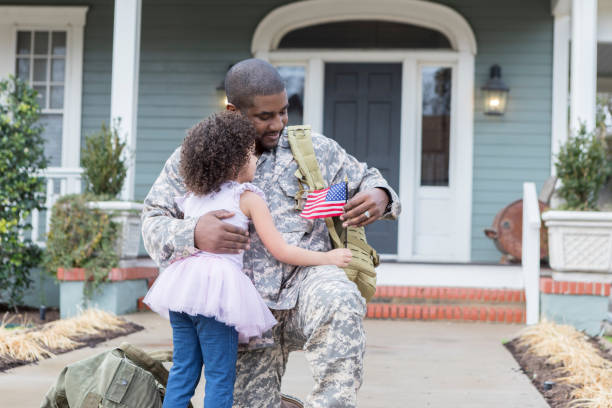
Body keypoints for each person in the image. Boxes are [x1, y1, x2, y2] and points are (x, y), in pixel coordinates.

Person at [142, 58, 401, 408]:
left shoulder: (313, 151)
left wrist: (380, 197)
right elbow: (152, 219)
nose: (278, 124)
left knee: (339, 297)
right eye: (265, 116)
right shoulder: (198, 156)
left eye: (284, 111)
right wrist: (194, 232)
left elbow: (369, 178)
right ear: (233, 111)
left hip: (304, 288)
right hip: (238, 315)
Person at [143, 111, 352, 408]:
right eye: (251, 155)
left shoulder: (192, 196)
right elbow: (281, 250)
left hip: (181, 289)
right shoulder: (248, 197)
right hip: (217, 293)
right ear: (234, 163)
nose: (256, 160)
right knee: (219, 374)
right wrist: (328, 256)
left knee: (183, 370)